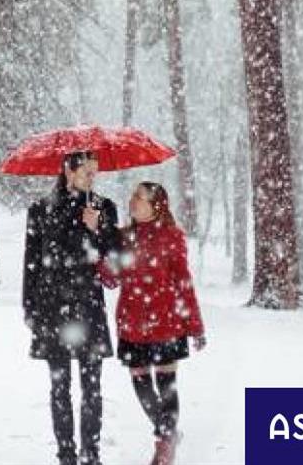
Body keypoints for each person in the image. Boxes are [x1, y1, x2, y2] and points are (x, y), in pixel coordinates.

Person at [22, 151, 120, 465]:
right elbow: (34, 261)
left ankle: (91, 454)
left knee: (92, 385)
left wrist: (97, 229)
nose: (93, 178)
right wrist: (29, 306)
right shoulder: (41, 209)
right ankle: (66, 453)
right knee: (59, 385)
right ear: (68, 171)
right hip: (51, 306)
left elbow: (114, 256)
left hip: (88, 304)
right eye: (87, 172)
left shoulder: (104, 208)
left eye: (95, 173)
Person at [104, 182, 206, 465]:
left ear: (156, 206)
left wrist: (194, 324)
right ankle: (169, 432)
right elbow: (110, 279)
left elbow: (183, 282)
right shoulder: (122, 237)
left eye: (140, 197)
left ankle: (163, 445)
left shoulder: (172, 237)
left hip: (166, 323)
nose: (133, 201)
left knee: (166, 383)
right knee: (140, 382)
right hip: (131, 322)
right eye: (134, 195)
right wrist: (99, 244)